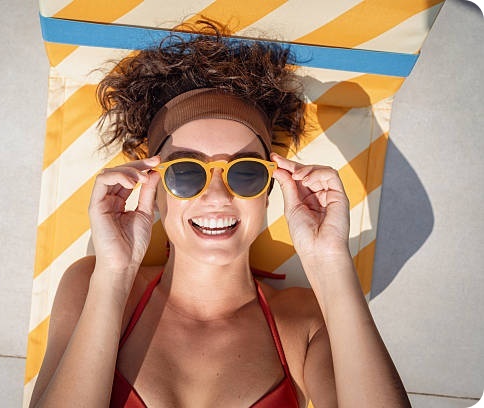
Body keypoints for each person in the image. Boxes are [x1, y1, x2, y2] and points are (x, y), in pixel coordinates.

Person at [29, 21, 411, 408]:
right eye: (185, 173)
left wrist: (329, 262)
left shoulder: (305, 323)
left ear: (270, 191)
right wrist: (114, 274)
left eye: (246, 173)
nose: (217, 195)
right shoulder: (93, 283)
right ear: (154, 189)